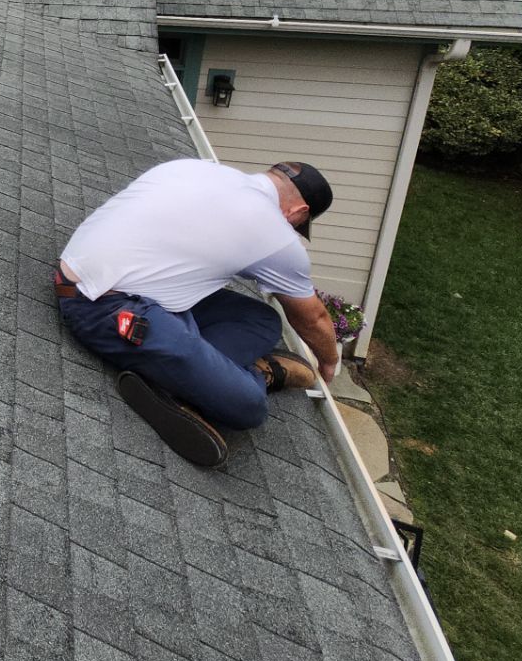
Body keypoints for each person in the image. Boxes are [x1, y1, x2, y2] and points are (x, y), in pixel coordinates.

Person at [54, 158, 341, 467]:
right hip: (102, 307)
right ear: (299, 212)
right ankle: (219, 382)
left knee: (263, 320)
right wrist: (329, 361)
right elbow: (312, 318)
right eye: (298, 226)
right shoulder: (277, 236)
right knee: (249, 406)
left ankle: (192, 374)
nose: (294, 231)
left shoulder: (199, 168)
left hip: (98, 274)